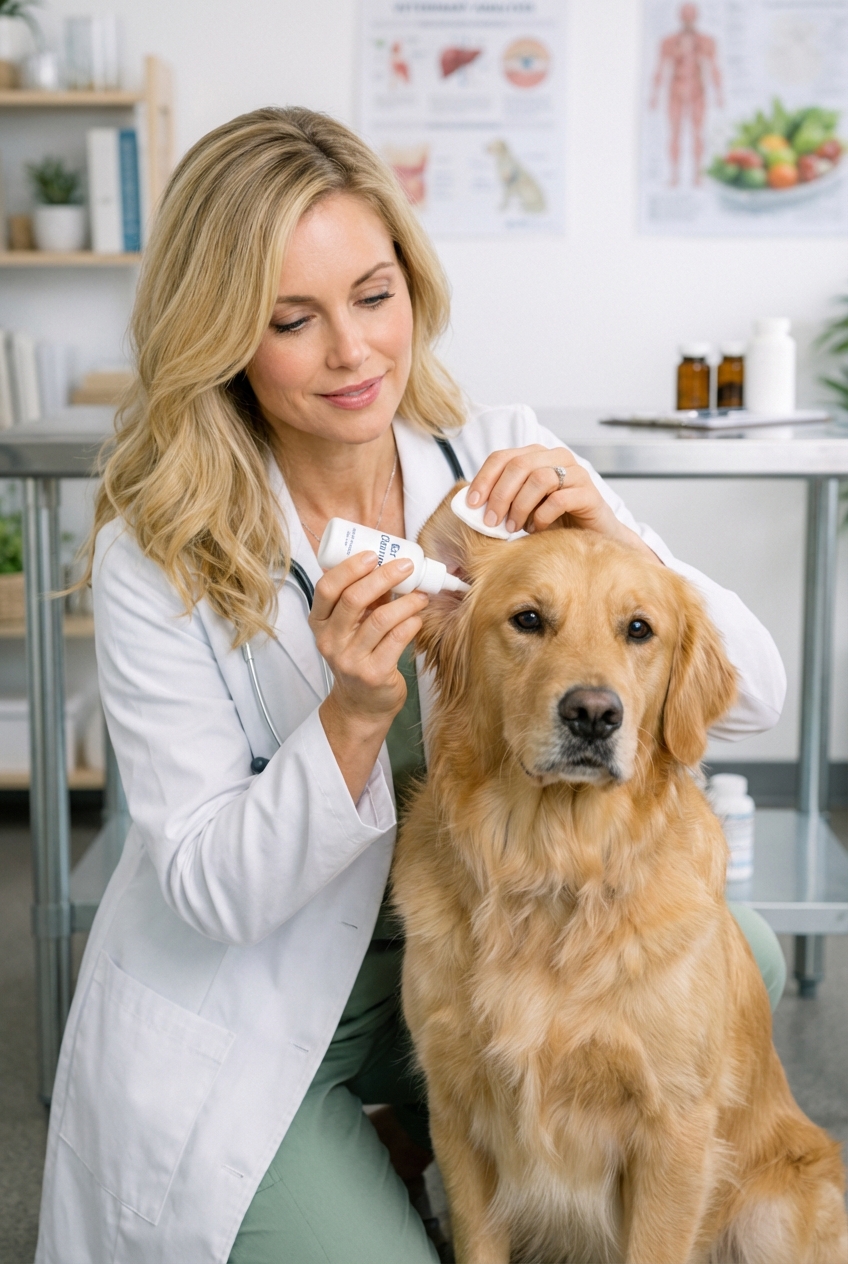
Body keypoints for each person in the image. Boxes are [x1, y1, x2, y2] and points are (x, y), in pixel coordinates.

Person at [35, 107, 786, 1264]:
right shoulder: (160, 547)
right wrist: (348, 713)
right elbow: (209, 889)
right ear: (222, 333)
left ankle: (436, 1130)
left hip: (474, 954)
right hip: (273, 1014)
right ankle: (373, 1131)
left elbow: (749, 693)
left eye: (373, 295)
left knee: (743, 958)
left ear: (413, 287)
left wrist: (609, 536)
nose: (353, 353)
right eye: (292, 320)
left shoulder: (497, 458)